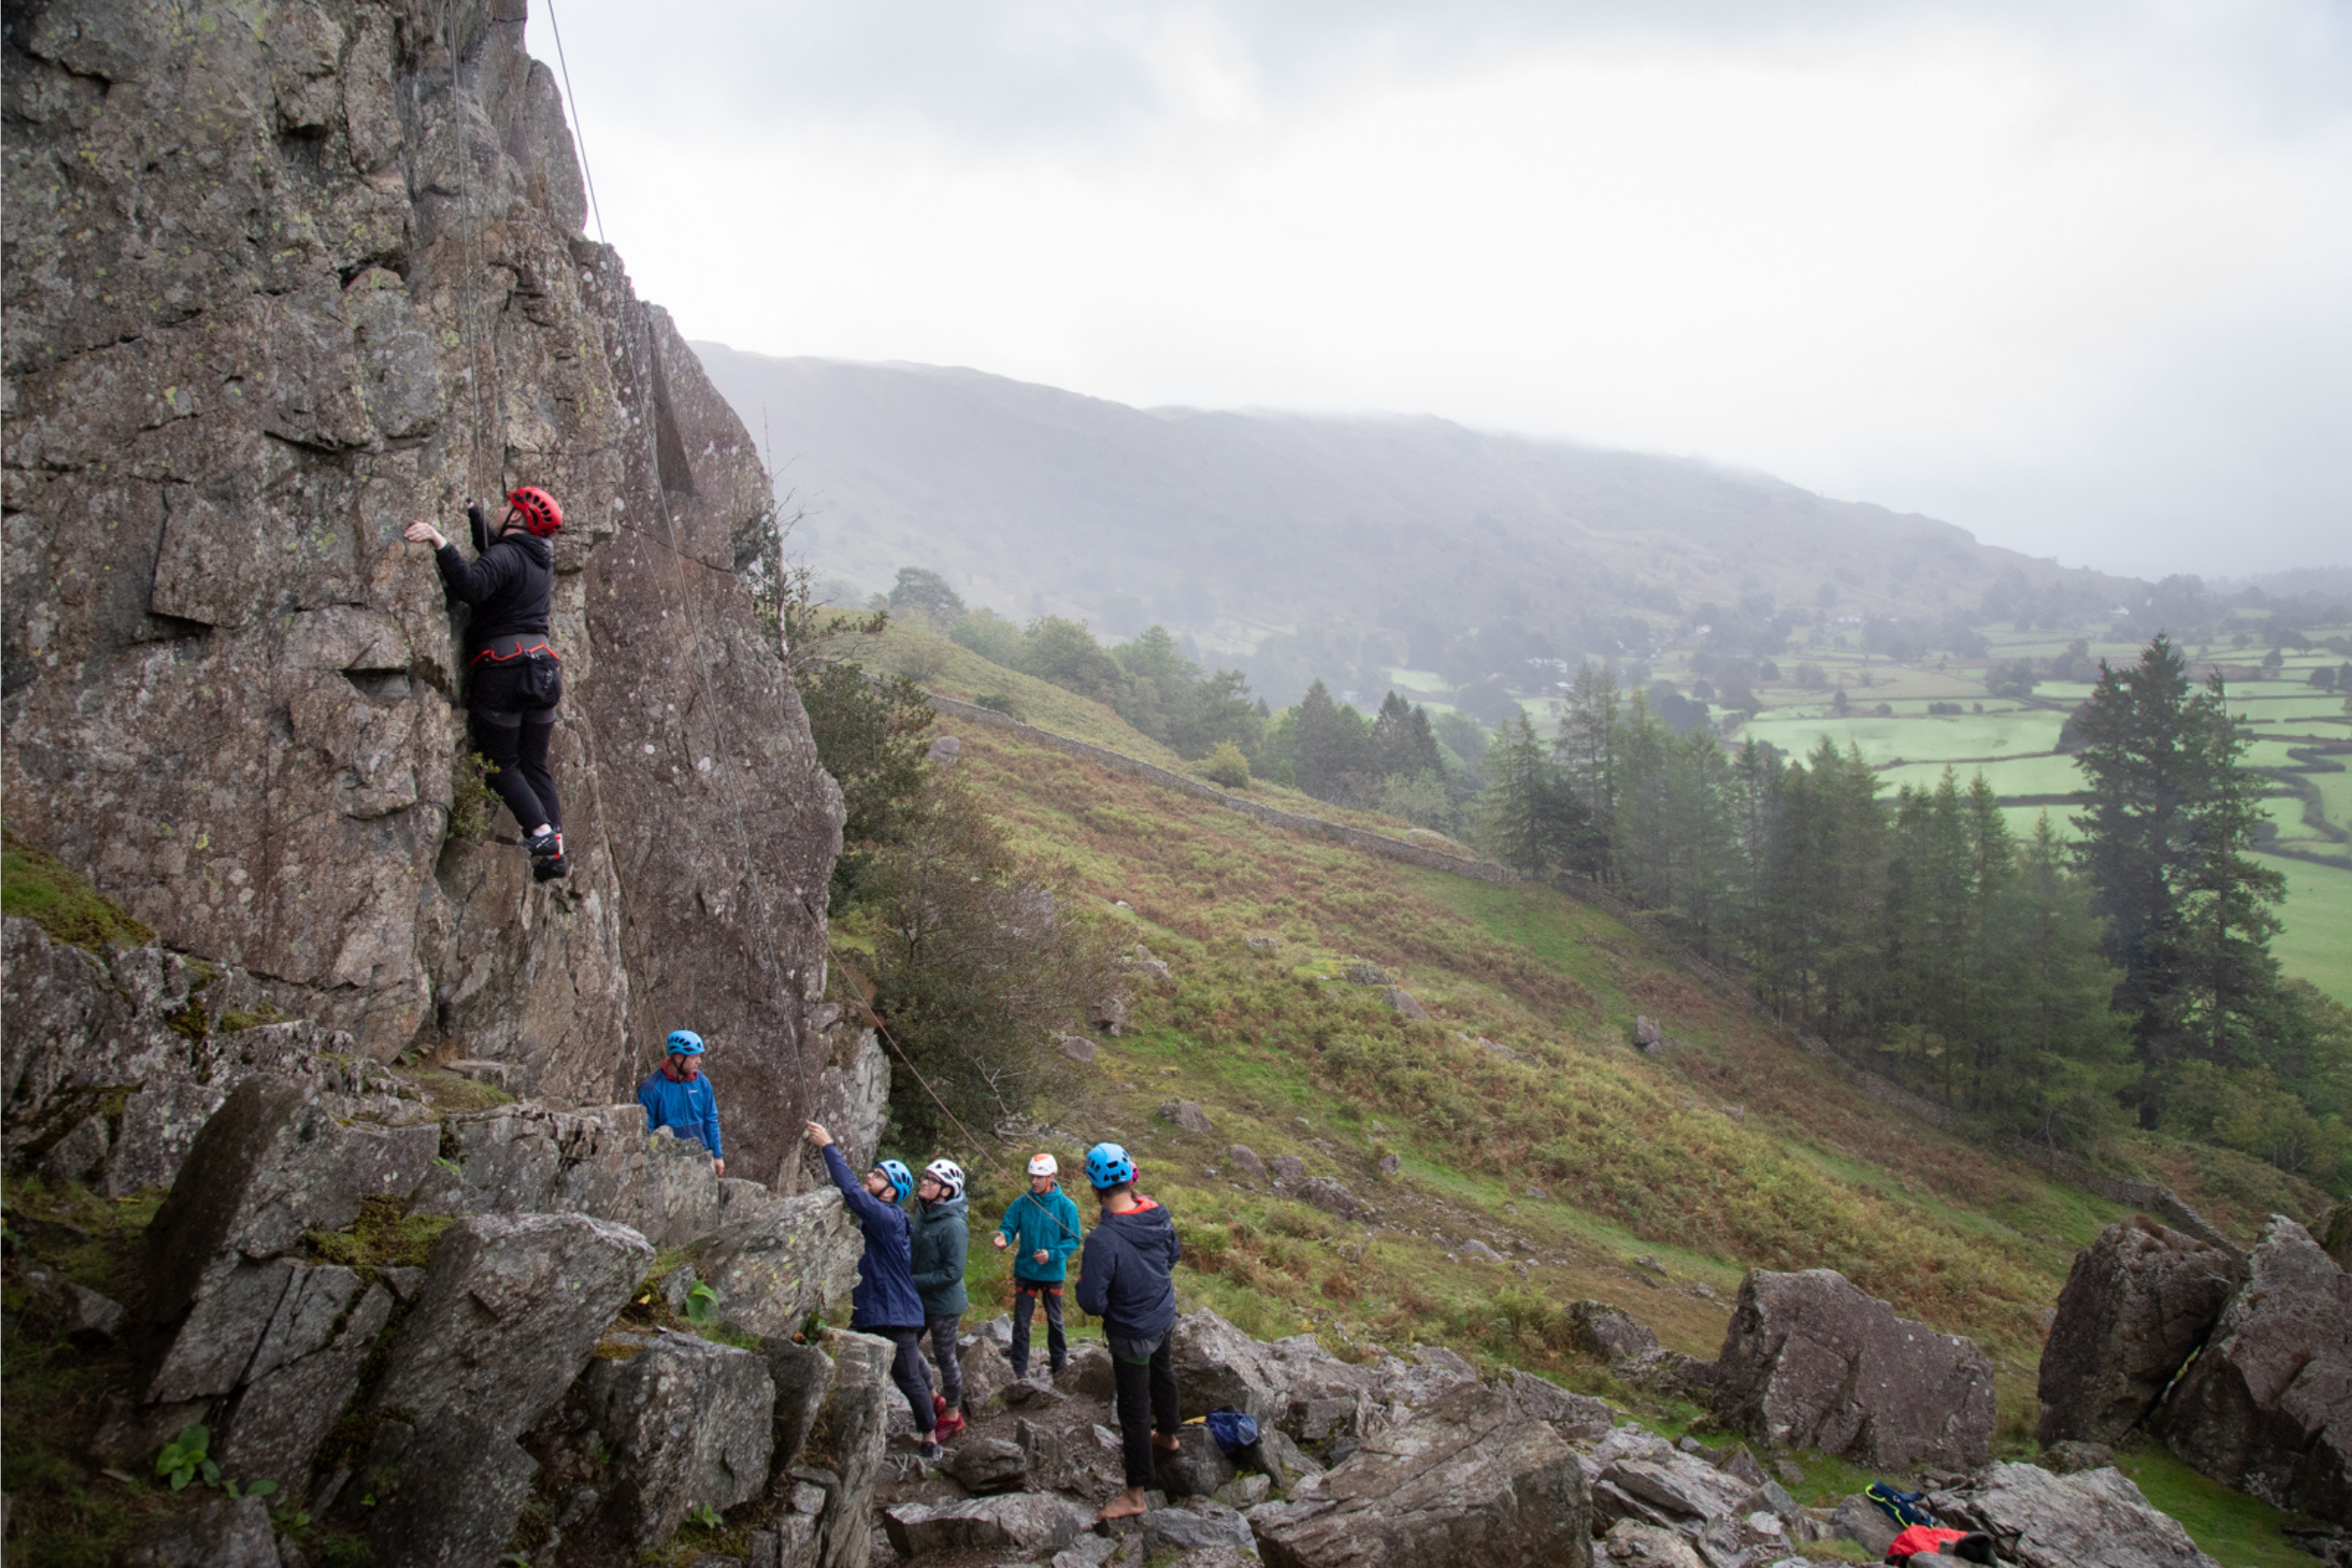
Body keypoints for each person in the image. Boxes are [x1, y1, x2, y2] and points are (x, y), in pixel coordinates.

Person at [405, 486, 568, 881]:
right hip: (543, 671)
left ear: (517, 519)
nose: (499, 509)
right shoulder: (538, 558)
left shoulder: (507, 555)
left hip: (505, 671)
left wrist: (439, 541)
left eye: (504, 508)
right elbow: (499, 555)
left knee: (500, 764)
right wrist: (475, 517)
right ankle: (555, 849)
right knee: (534, 765)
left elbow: (475, 587)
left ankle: (541, 832)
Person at [804, 1120, 938, 1461]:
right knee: (855, 1373)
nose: (869, 1177)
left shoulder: (889, 1218)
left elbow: (852, 1193)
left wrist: (828, 1146)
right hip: (871, 1309)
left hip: (895, 1314)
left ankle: (930, 1437)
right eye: (872, 1173)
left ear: (890, 1191)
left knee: (907, 1379)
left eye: (878, 1176)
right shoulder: (881, 1217)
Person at [1072, 1141, 1183, 1522]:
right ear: (1131, 1177)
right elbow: (1173, 1256)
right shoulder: (1157, 1213)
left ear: (1093, 1188)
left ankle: (1135, 1493)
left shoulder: (1103, 1241)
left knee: (1134, 1410)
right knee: (1164, 1374)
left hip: (1132, 1332)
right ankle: (1169, 1435)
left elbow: (1091, 1302)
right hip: (1164, 1315)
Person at [993, 1152, 1083, 1378]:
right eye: (1031, 1176)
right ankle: (1019, 1368)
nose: (1033, 1181)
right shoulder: (1022, 1202)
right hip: (1026, 1270)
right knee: (1022, 1322)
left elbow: (1073, 1239)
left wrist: (1051, 1254)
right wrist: (1004, 1236)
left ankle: (1059, 1365)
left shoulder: (1066, 1207)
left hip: (1052, 1272)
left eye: (1039, 1177)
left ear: (1051, 1176)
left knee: (1055, 1321)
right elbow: (1009, 1224)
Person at [908, 1157, 970, 1442]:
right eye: (925, 1176)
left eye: (932, 1180)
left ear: (946, 1191)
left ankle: (953, 1416)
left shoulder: (954, 1225)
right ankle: (935, 1398)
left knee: (946, 1357)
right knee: (906, 1346)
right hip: (918, 1297)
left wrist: (912, 1281)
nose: (924, 1181)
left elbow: (953, 1272)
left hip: (945, 1304)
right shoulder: (922, 1213)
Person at [636, 1030, 723, 1175]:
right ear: (678, 1058)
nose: (699, 1061)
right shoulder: (651, 1089)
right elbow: (647, 1130)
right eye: (694, 1056)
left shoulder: (702, 1082)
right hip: (667, 1161)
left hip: (700, 1156)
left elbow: (710, 1119)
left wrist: (717, 1155)